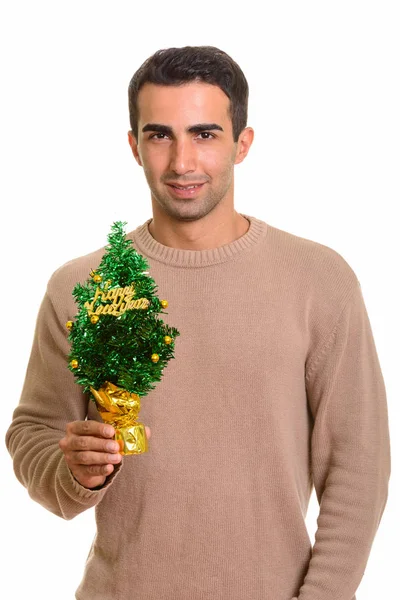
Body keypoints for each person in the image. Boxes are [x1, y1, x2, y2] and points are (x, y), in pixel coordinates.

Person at [6, 45, 391, 600]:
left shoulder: (319, 280)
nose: (182, 162)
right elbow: (32, 433)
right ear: (135, 146)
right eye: (161, 135)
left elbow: (359, 466)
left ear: (242, 143)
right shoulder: (80, 287)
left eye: (205, 135)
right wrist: (75, 474)